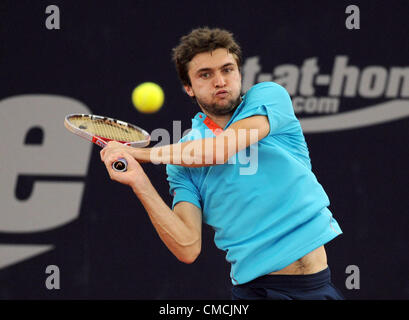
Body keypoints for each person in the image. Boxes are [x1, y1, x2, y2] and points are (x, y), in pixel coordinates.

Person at [100, 27, 344, 300]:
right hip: (258, 293)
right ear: (188, 87)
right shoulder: (180, 161)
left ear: (239, 73)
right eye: (205, 74)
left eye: (227, 69)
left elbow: (219, 150)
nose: (220, 81)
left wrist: (142, 154)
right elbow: (187, 246)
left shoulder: (269, 97)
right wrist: (139, 180)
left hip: (319, 287)